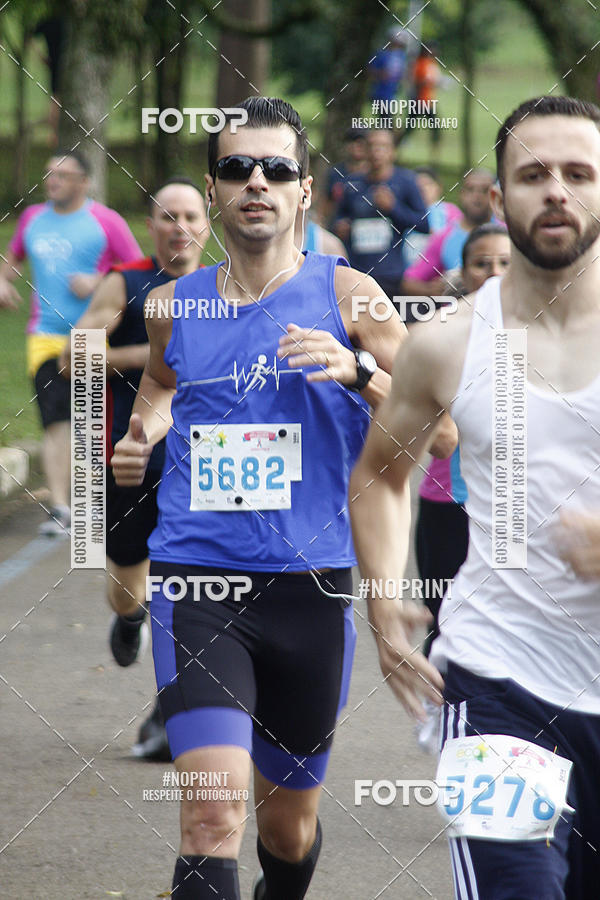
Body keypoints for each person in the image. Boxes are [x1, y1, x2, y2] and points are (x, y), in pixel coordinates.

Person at [111, 96, 410, 900]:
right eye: (238, 168)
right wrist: (141, 435)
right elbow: (160, 387)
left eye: (277, 169)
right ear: (214, 189)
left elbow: (436, 434)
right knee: (211, 818)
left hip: (311, 587)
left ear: (305, 189)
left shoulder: (355, 298)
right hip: (198, 581)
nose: (257, 182)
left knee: (287, 825)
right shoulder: (174, 305)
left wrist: (359, 372)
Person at [350, 95, 600, 898]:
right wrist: (385, 606)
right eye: (533, 174)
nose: (556, 190)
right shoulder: (445, 342)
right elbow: (382, 475)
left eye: (578, 173)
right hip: (496, 684)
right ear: (497, 198)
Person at [60, 177, 209, 759]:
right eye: (167, 216)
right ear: (151, 225)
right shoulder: (126, 281)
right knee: (129, 586)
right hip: (128, 454)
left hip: (202, 463)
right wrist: (155, 352)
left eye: (190, 215)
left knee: (193, 587)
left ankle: (172, 712)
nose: (179, 226)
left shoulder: (225, 287)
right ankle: (129, 618)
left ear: (208, 221)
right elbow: (77, 357)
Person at [0, 150, 141, 535]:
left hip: (94, 337)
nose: (53, 181)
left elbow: (138, 271)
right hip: (44, 335)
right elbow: (11, 260)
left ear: (84, 181)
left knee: (92, 419)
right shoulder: (32, 218)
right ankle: (60, 507)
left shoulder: (106, 222)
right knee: (55, 418)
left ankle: (97, 502)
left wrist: (98, 282)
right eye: (49, 174)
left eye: (63, 175)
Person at [416, 224, 511, 656]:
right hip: (448, 506)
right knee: (447, 632)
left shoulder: (552, 336)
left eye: (505, 263)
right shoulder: (442, 336)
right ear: (464, 272)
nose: (493, 273)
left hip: (514, 506)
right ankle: (448, 722)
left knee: (510, 633)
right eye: (481, 264)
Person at [333, 127, 429, 313]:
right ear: (364, 150)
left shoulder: (406, 181)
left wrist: (393, 208)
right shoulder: (351, 183)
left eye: (383, 147)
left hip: (391, 274)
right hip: (357, 273)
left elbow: (424, 224)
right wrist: (340, 227)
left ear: (393, 151)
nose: (377, 152)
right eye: (372, 146)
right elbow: (336, 221)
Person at [402, 168, 496, 298]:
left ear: (495, 195)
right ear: (461, 194)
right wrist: (432, 291)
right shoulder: (444, 237)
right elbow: (409, 282)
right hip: (457, 315)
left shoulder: (508, 234)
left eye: (484, 190)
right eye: (470, 189)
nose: (477, 196)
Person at [402, 165, 462, 268]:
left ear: (438, 187)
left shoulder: (450, 212)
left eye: (427, 184)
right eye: (417, 186)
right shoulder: (404, 212)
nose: (422, 189)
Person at [369, 28, 408, 111]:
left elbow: (402, 74)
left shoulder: (401, 55)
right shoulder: (380, 54)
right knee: (386, 119)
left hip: (392, 93)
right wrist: (380, 74)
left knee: (386, 120)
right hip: (379, 93)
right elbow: (370, 71)